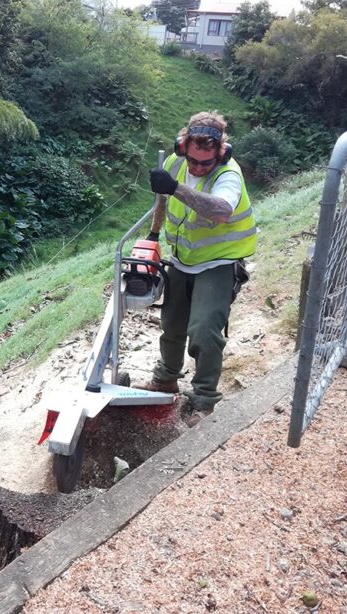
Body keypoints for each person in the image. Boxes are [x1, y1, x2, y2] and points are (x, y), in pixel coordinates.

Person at [139, 111, 257, 417]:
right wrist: (153, 234)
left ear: (222, 153)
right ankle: (166, 381)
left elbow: (220, 210)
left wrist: (176, 187)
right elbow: (162, 202)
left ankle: (204, 400)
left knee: (204, 331)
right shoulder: (174, 164)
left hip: (218, 262)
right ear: (182, 149)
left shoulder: (227, 174)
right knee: (172, 325)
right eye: (193, 160)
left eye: (207, 162)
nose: (198, 167)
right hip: (182, 260)